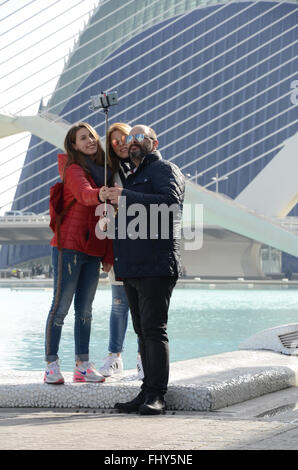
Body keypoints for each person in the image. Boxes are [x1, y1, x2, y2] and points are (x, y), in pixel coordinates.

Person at [104, 124, 185, 415]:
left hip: (156, 265)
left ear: (154, 142)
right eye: (130, 138)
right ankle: (145, 391)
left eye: (140, 137)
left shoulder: (164, 169)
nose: (133, 142)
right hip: (133, 268)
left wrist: (124, 196)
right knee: (141, 332)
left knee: (154, 330)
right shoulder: (134, 175)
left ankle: (157, 395)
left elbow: (170, 204)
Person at [44, 122, 114, 384]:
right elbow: (86, 196)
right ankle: (51, 364)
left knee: (85, 310)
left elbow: (106, 217)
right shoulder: (73, 169)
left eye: (92, 137)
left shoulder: (104, 172)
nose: (89, 141)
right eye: (83, 138)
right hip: (69, 248)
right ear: (73, 145)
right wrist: (101, 193)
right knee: (60, 307)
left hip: (93, 249)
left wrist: (107, 254)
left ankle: (82, 365)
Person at [98, 122, 143, 380]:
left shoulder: (146, 167)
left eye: (125, 137)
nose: (122, 143)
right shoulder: (109, 173)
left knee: (144, 305)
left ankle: (142, 359)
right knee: (118, 303)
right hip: (119, 244)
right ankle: (115, 357)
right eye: (115, 141)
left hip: (144, 244)